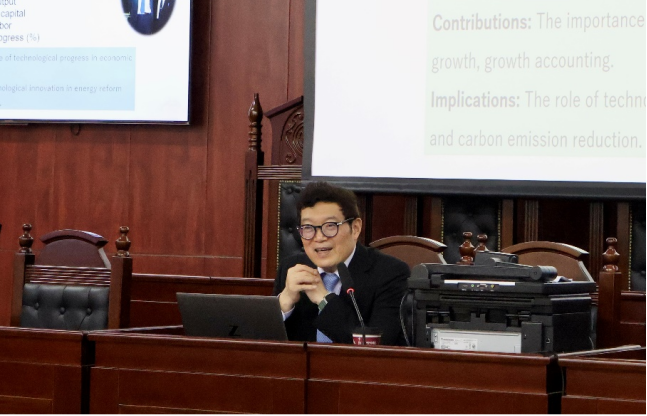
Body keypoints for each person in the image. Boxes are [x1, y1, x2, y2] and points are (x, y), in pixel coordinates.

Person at [273, 182, 410, 345]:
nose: (319, 237)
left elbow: (378, 347)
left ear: (355, 228)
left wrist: (324, 300)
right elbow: (265, 347)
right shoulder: (291, 268)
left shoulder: (390, 273)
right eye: (308, 227)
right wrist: (283, 304)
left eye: (330, 226)